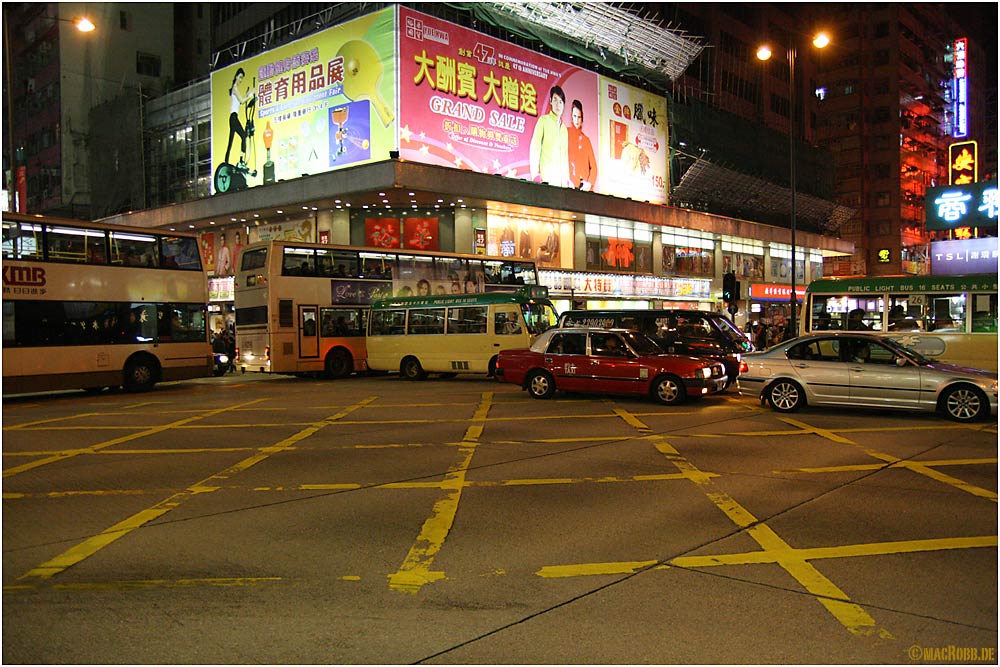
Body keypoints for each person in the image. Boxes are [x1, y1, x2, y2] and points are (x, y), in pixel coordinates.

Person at [528, 85, 569, 186]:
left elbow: (564, 156)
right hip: (545, 179)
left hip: (561, 183)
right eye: (555, 100)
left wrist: (566, 179)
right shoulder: (543, 120)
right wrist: (535, 174)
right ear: (550, 101)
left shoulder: (564, 129)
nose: (558, 105)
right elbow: (535, 147)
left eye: (561, 102)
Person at [224, 68, 254, 169]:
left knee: (231, 141)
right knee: (243, 135)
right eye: (240, 77)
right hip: (233, 117)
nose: (241, 80)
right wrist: (249, 96)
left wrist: (247, 94)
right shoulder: (235, 88)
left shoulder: (235, 89)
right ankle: (240, 161)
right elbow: (242, 101)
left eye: (242, 78)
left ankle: (226, 163)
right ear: (236, 76)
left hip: (233, 117)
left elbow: (241, 100)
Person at [567, 99, 597, 191]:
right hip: (568, 186)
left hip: (583, 188)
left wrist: (589, 183)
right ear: (571, 117)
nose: (576, 120)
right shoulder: (565, 133)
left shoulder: (586, 140)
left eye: (579, 117)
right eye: (574, 116)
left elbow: (594, 168)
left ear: (582, 119)